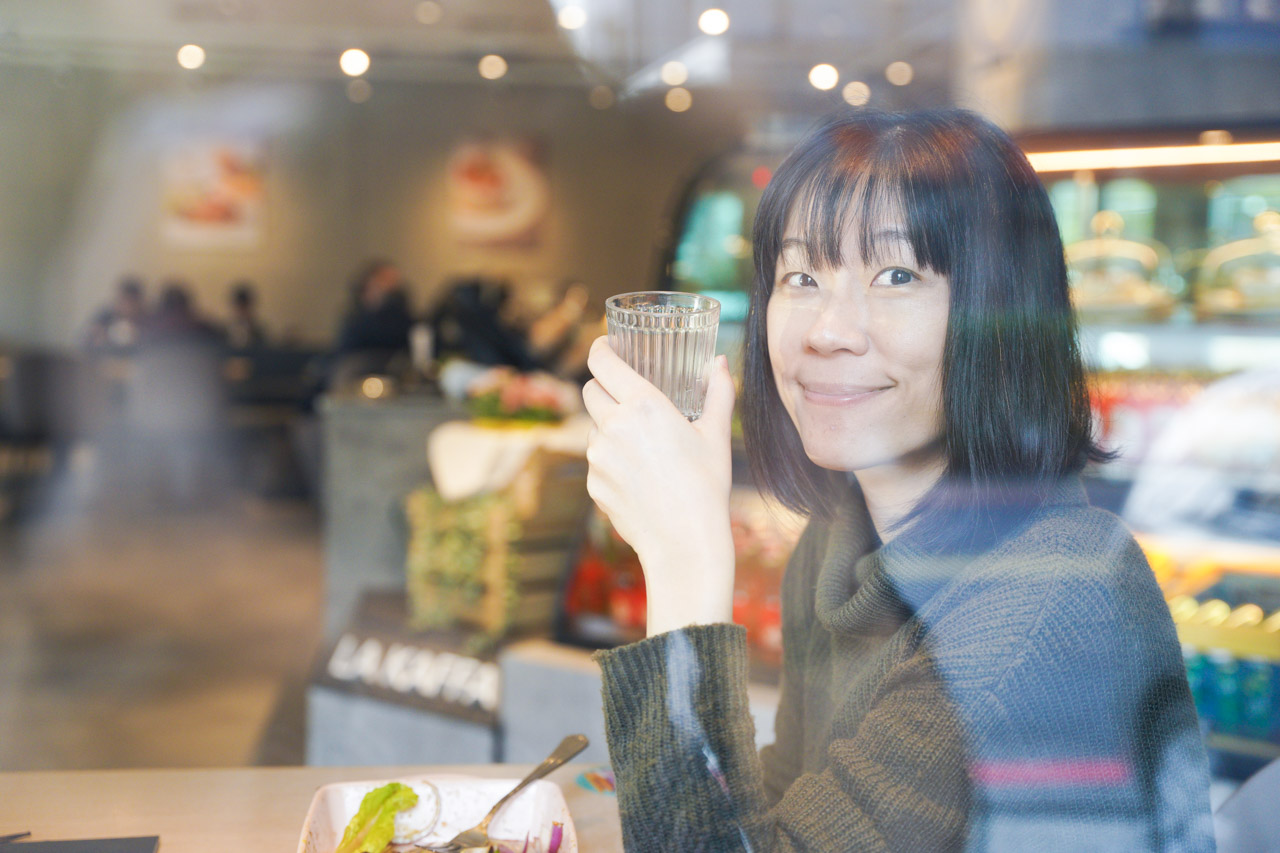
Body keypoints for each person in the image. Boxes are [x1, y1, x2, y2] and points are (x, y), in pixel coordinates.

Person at [581, 109, 1214, 851]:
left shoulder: (1048, 603)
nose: (828, 329)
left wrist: (686, 563)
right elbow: (781, 812)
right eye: (801, 275)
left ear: (1000, 315)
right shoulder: (838, 544)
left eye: (897, 275)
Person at [329, 259, 415, 384]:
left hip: (389, 361)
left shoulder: (399, 307)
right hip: (354, 360)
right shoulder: (355, 312)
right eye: (384, 278)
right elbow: (347, 343)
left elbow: (404, 335)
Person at [84, 276, 148, 350]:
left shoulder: (146, 320)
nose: (126, 307)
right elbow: (85, 342)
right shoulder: (104, 316)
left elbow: (151, 347)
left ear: (138, 303)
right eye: (122, 301)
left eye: (130, 302)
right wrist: (96, 338)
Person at [225, 280, 267, 350]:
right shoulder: (225, 331)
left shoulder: (259, 332)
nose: (242, 312)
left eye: (244, 307)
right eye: (240, 307)